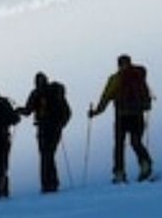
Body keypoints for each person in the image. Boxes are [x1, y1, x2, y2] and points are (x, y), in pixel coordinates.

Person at [88, 54, 154, 183]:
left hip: (122, 115)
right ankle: (145, 164)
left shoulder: (116, 78)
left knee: (119, 145)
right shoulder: (138, 76)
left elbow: (106, 97)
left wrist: (95, 112)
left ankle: (119, 173)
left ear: (119, 64)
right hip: (138, 114)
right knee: (136, 141)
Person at [16, 72, 72, 193]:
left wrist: (18, 110)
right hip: (55, 127)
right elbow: (67, 111)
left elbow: (27, 111)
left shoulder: (36, 93)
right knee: (49, 154)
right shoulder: (55, 91)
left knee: (46, 155)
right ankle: (51, 183)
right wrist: (61, 124)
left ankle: (48, 184)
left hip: (44, 127)